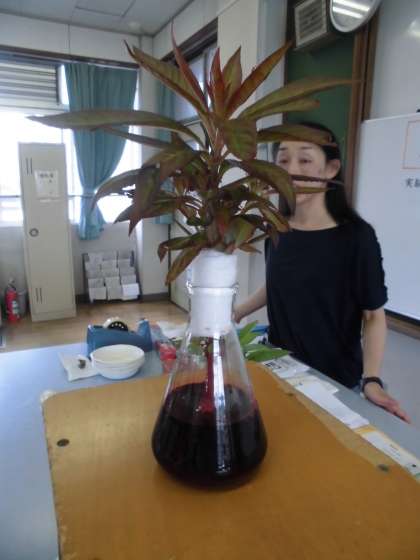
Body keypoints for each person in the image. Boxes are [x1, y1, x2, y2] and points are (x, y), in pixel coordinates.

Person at [235, 122, 409, 422]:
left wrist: (372, 379)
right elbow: (276, 283)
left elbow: (373, 316)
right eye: (283, 160)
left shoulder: (356, 237)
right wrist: (236, 312)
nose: (291, 170)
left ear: (331, 169)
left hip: (335, 382)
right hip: (281, 368)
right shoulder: (277, 229)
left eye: (304, 160)